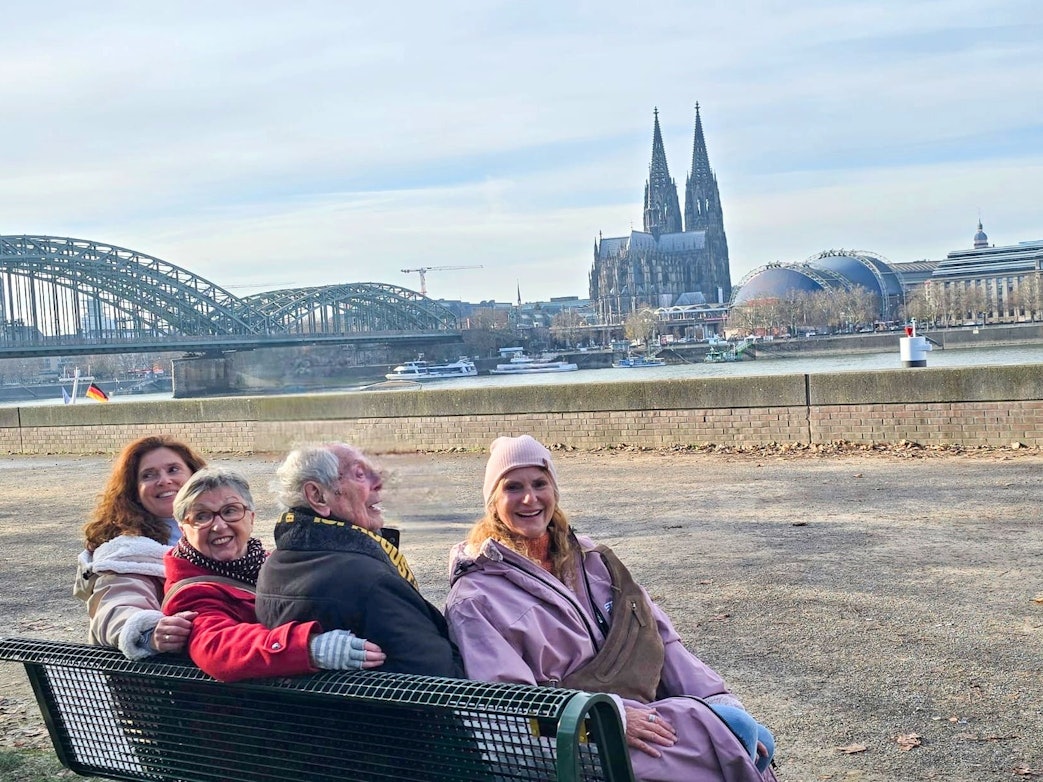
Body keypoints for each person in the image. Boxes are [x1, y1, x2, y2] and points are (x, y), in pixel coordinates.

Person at [445, 435, 778, 782]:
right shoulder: (476, 598)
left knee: (744, 732)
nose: (530, 498)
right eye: (513, 487)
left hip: (639, 717)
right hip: (569, 739)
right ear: (493, 501)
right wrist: (609, 719)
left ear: (554, 491)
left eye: (539, 483)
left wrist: (716, 699)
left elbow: (661, 641)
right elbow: (509, 708)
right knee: (728, 745)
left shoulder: (593, 561)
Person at [255, 442, 464, 677]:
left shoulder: (273, 567)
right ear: (318, 496)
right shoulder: (368, 581)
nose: (379, 483)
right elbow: (442, 678)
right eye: (360, 474)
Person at [163, 465, 385, 682]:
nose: (219, 526)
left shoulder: (270, 562)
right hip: (253, 711)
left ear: (251, 517)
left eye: (231, 511)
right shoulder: (191, 591)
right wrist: (309, 647)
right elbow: (217, 646)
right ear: (183, 529)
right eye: (201, 517)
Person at [75, 435, 206, 660]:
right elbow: (116, 604)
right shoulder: (126, 552)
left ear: (196, 477)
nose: (164, 480)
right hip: (168, 681)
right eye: (149, 475)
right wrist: (149, 632)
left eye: (173, 469)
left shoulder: (219, 533)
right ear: (133, 490)